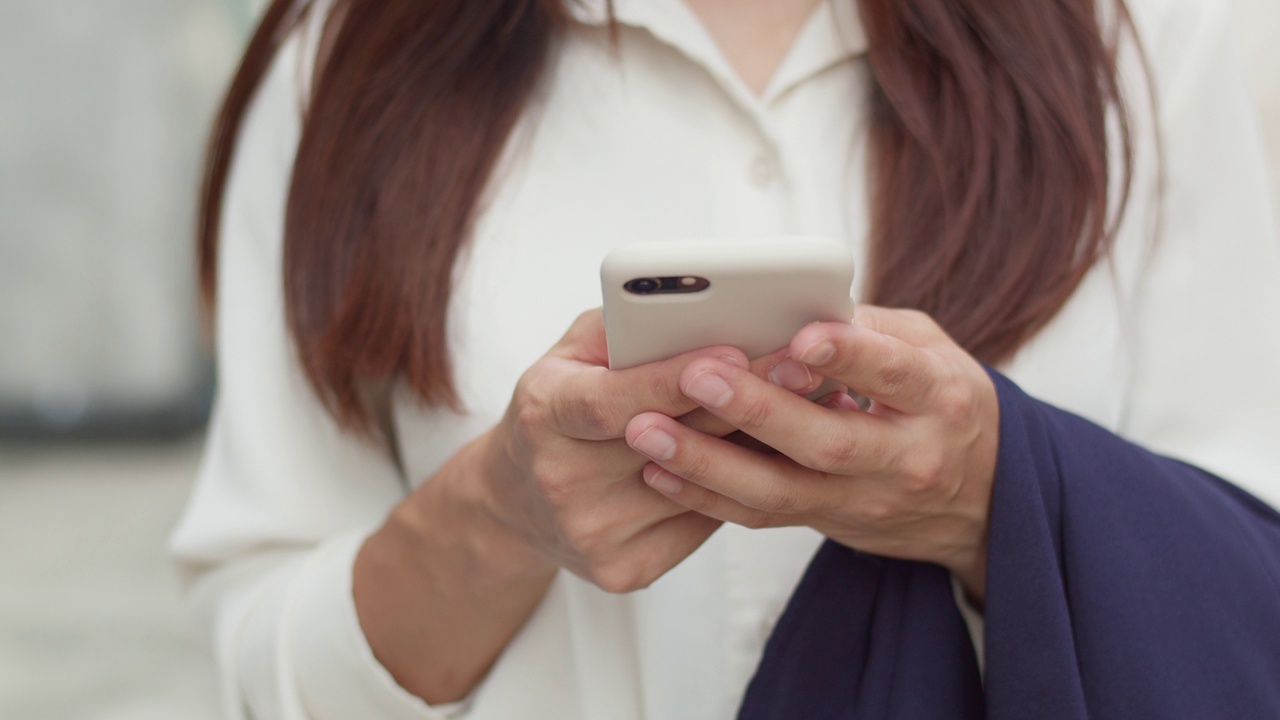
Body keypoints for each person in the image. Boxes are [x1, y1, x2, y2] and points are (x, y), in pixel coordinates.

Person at [170, 0, 1280, 717]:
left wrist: (992, 495)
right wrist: (500, 514)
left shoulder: (1145, 36)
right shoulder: (349, 49)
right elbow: (258, 664)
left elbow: (1245, 576)